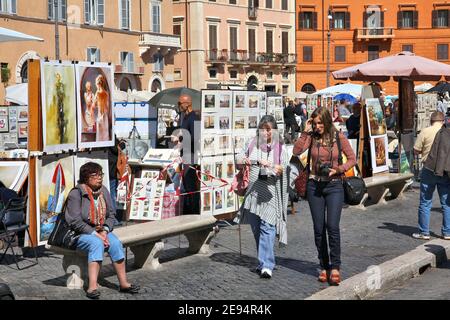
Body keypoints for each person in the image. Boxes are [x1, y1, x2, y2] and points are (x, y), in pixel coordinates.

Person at [293, 107, 356, 285]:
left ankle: (335, 266)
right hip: (314, 185)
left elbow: (352, 159)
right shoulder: (311, 137)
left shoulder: (338, 137)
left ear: (327, 122)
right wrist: (305, 132)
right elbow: (296, 152)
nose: (318, 126)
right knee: (319, 229)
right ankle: (324, 266)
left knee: (332, 226)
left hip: (334, 185)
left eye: (320, 123)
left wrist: (338, 169)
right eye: (315, 123)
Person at [65, 162, 140, 299]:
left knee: (116, 243)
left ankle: (123, 283)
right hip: (79, 234)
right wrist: (96, 234)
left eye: (101, 174)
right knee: (96, 243)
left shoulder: (103, 190)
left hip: (101, 230)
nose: (99, 178)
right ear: (86, 177)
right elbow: (74, 221)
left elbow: (111, 214)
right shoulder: (76, 194)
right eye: (95, 175)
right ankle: (92, 286)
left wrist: (105, 231)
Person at [234, 115, 289, 279]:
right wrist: (245, 160)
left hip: (270, 194)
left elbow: (283, 168)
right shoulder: (252, 143)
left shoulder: (279, 147)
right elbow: (238, 159)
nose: (266, 133)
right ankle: (263, 260)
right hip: (253, 194)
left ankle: (267, 265)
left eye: (269, 129)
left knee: (268, 228)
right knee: (257, 229)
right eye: (263, 129)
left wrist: (271, 166)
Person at [412, 111, 448, 240]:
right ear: (443, 121)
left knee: (425, 202)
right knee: (446, 203)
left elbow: (416, 150)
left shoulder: (425, 131)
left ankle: (424, 232)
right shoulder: (448, 132)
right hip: (444, 170)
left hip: (429, 168)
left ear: (431, 121)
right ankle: (447, 232)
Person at [177, 94, 201, 214]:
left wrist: (182, 139)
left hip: (191, 155)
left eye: (180, 103)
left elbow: (196, 137)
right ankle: (188, 210)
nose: (179, 106)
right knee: (186, 184)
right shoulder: (185, 117)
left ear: (187, 104)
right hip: (185, 155)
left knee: (191, 184)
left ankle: (194, 211)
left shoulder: (194, 118)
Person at [94, 75, 110, 142]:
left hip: (100, 116)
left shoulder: (97, 93)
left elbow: (93, 105)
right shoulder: (106, 93)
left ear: (98, 84)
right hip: (105, 117)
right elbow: (107, 107)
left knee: (99, 137)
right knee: (105, 135)